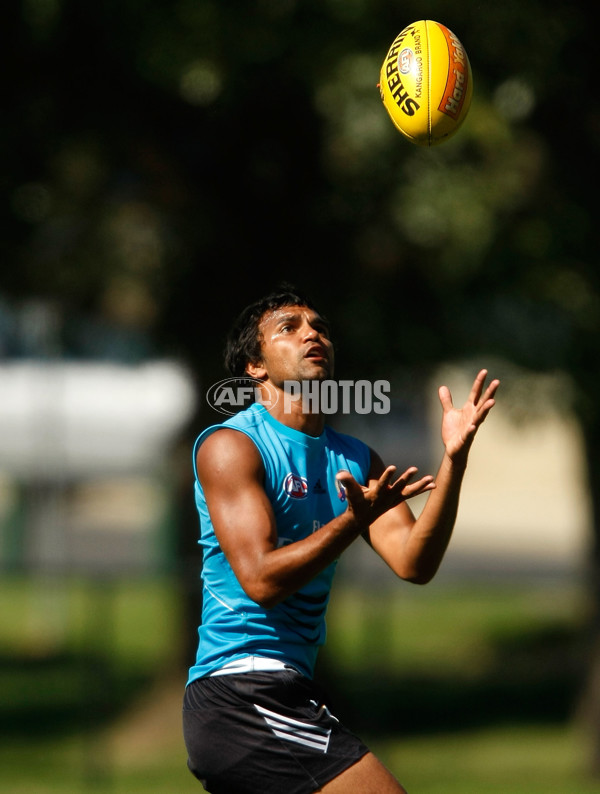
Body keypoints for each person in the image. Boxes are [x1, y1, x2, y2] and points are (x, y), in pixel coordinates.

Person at [182, 285, 499, 794]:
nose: (313, 334)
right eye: (289, 327)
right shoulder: (232, 446)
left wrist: (454, 459)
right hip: (242, 690)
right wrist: (352, 521)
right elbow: (261, 580)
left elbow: (414, 562)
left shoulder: (354, 457)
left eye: (320, 327)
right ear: (255, 366)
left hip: (286, 688)